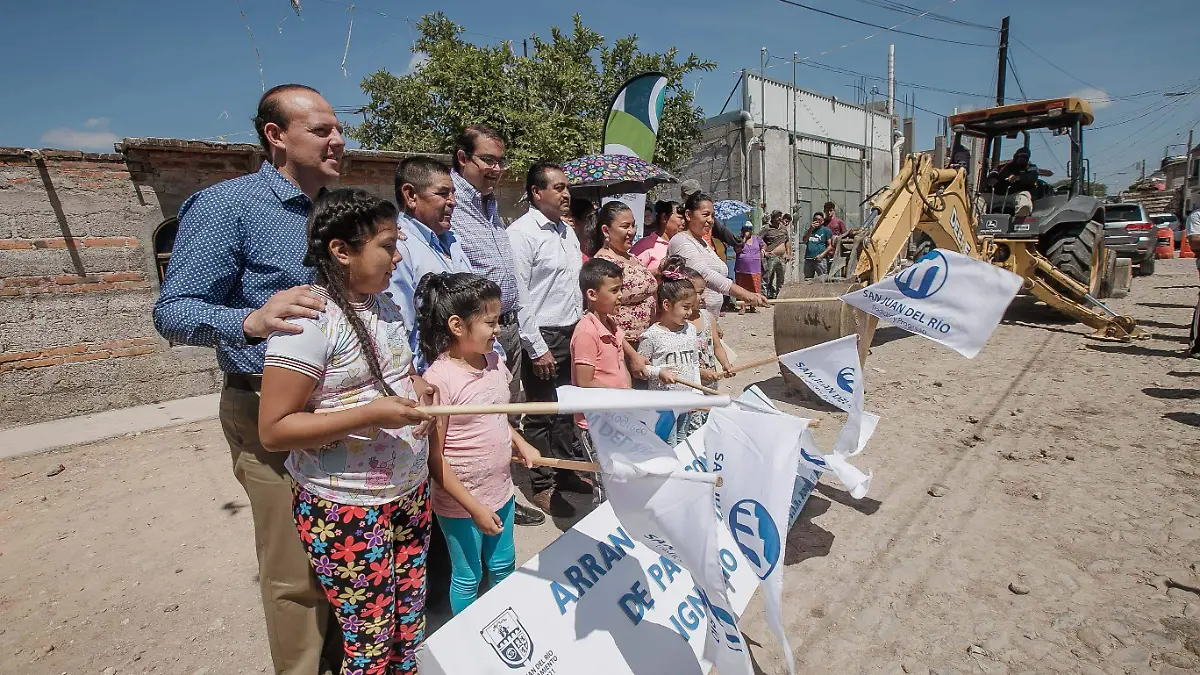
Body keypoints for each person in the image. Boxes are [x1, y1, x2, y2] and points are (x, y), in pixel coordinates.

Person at [153, 83, 353, 675]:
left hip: (338, 409)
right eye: (321, 130)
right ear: (276, 136)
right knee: (294, 569)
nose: (338, 138)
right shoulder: (226, 208)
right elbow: (174, 310)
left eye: (338, 127)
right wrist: (249, 320)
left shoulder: (335, 211)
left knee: (341, 551)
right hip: (265, 412)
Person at [256, 189, 437, 675]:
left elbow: (397, 371)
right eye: (387, 245)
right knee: (370, 641)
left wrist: (419, 388)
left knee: (407, 625)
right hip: (347, 508)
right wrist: (369, 414)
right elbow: (274, 430)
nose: (398, 257)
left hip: (406, 493)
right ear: (342, 250)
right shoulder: (309, 324)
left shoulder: (385, 306)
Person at [415, 272, 541, 614]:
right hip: (461, 504)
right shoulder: (439, 380)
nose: (498, 329)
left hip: (501, 490)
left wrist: (520, 442)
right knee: (467, 575)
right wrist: (473, 508)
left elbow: (495, 417)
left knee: (503, 565)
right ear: (457, 325)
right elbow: (435, 459)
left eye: (499, 320)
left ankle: (508, 622)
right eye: (490, 322)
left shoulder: (494, 361)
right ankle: (467, 644)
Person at [448, 125, 545, 527]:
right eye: (488, 159)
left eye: (500, 160)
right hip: (473, 334)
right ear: (462, 158)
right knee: (477, 422)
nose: (497, 168)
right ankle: (471, 506)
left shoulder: (489, 207)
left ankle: (501, 496)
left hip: (503, 330)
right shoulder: (452, 207)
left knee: (503, 414)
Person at [508, 161, 590, 515]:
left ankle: (565, 470)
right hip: (542, 335)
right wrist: (536, 348)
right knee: (541, 413)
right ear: (536, 193)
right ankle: (542, 483)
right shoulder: (522, 233)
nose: (566, 193)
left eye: (566, 187)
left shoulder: (566, 232)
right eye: (557, 187)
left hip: (572, 330)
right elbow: (520, 294)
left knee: (566, 408)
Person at [387, 156, 472, 369]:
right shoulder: (400, 249)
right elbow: (400, 327)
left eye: (453, 193)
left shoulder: (453, 241)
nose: (452, 201)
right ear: (411, 195)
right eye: (443, 193)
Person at [571, 258, 636, 488]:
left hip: (617, 414)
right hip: (596, 423)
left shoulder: (611, 324)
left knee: (620, 479)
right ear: (592, 294)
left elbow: (620, 365)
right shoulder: (587, 333)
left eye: (621, 289)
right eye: (615, 290)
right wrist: (618, 393)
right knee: (605, 483)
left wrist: (627, 394)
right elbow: (585, 381)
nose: (620, 296)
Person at [666, 191, 767, 316]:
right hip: (691, 321)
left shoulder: (702, 242)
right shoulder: (680, 241)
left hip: (708, 320)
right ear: (688, 215)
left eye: (713, 216)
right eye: (705, 215)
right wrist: (745, 294)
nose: (711, 220)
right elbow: (705, 275)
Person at [637, 263, 702, 445]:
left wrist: (697, 392)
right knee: (667, 443)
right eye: (685, 307)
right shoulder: (651, 336)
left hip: (686, 401)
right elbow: (641, 368)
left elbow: (694, 363)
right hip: (663, 406)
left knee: (684, 441)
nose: (690, 313)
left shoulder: (690, 330)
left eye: (691, 307)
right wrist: (658, 373)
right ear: (667, 304)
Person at [590, 201, 659, 343]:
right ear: (605, 230)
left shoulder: (631, 256)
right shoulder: (602, 264)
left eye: (633, 225)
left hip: (648, 340)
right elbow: (601, 314)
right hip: (623, 345)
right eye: (625, 226)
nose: (632, 231)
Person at [984, 147, 1039, 217]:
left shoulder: (1031, 168)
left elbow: (1033, 177)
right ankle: (975, 217)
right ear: (1015, 156)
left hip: (1015, 196)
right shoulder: (1002, 167)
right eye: (1020, 156)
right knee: (980, 197)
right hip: (996, 196)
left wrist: (1018, 178)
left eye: (1025, 157)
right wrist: (991, 179)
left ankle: (1022, 214)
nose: (1022, 159)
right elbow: (992, 174)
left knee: (1024, 195)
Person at [632, 200, 684, 273]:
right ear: (664, 218)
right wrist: (658, 272)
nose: (684, 222)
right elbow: (633, 276)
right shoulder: (645, 246)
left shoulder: (685, 244)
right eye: (680, 218)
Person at [734, 223, 765, 310]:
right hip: (742, 269)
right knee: (742, 288)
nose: (748, 231)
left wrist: (762, 249)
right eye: (746, 229)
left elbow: (763, 245)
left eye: (749, 229)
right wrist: (744, 239)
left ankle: (753, 306)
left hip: (755, 268)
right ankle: (742, 306)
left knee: (754, 287)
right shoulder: (739, 239)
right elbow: (737, 250)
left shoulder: (756, 238)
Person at [760, 213, 791, 299]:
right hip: (771, 257)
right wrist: (764, 250)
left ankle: (779, 297)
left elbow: (787, 241)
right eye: (777, 216)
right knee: (767, 278)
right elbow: (759, 239)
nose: (780, 218)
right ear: (773, 218)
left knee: (780, 279)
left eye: (780, 216)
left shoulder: (783, 229)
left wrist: (788, 254)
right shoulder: (766, 228)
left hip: (782, 258)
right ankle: (763, 297)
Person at [804, 212, 834, 279]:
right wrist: (810, 230)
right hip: (809, 259)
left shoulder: (826, 230)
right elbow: (804, 241)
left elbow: (830, 246)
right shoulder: (809, 230)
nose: (817, 221)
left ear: (822, 221)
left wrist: (821, 255)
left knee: (822, 279)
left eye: (819, 219)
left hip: (820, 260)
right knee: (808, 280)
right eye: (815, 219)